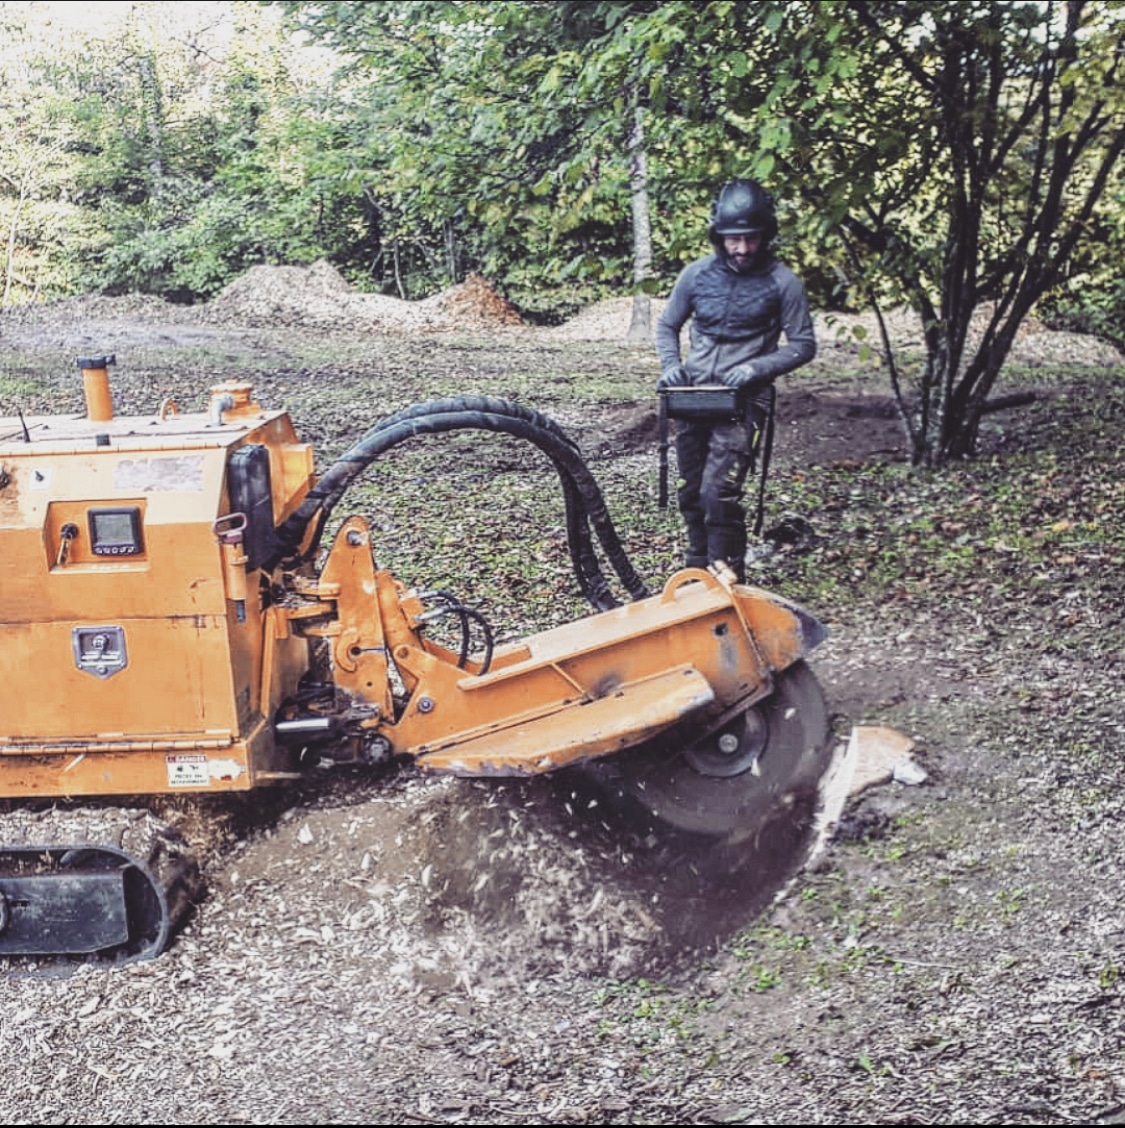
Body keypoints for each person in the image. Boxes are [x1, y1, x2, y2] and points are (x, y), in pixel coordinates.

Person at [654, 178, 816, 582]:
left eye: (751, 238)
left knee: (718, 493)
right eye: (733, 239)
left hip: (742, 405)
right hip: (692, 398)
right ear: (718, 236)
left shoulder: (784, 283)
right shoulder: (695, 275)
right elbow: (666, 325)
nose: (742, 249)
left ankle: (729, 578)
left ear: (766, 236)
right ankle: (696, 574)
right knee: (691, 491)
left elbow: (802, 344)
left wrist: (755, 369)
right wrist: (672, 364)